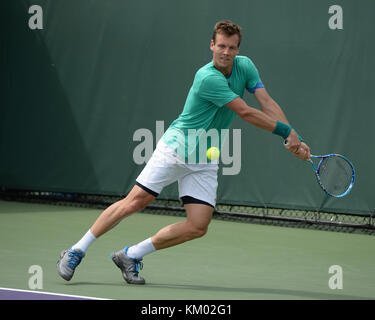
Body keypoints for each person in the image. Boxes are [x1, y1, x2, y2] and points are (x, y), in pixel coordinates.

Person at [57, 20, 311, 285]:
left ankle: (131, 255)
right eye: (221, 46)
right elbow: (246, 112)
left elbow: (267, 102)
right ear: (212, 45)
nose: (226, 52)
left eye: (232, 47)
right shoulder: (207, 77)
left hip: (205, 158)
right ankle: (76, 250)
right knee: (136, 201)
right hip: (176, 148)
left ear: (238, 49)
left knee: (198, 226)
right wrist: (286, 133)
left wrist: (296, 139)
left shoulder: (245, 66)